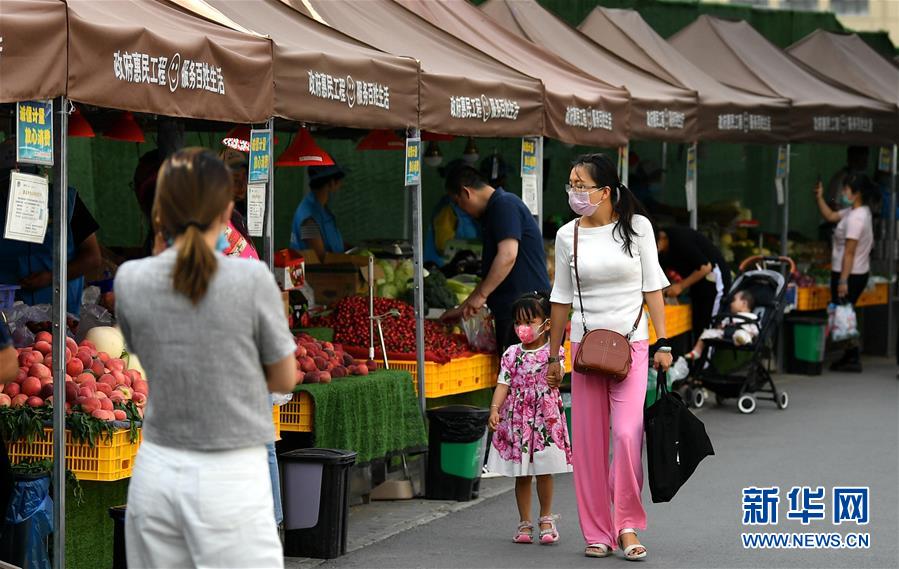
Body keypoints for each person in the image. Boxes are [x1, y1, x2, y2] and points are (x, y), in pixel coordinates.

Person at [116, 148, 296, 567]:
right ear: (228, 211)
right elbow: (284, 378)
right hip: (231, 476)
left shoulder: (131, 280)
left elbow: (147, 351)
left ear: (159, 211)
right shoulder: (252, 279)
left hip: (156, 473)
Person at [546, 153, 672, 561]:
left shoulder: (637, 228)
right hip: (583, 348)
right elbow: (560, 297)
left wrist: (664, 341)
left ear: (606, 191)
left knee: (626, 434)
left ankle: (627, 525)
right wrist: (553, 356)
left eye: (581, 185)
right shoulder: (568, 235)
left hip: (632, 344)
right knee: (589, 444)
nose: (574, 193)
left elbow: (653, 286)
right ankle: (597, 531)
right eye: (571, 185)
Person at [486, 292, 571, 545]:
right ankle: (524, 521)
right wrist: (494, 408)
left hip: (545, 419)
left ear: (546, 323)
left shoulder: (553, 353)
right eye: (518, 323)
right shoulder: (511, 353)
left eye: (529, 321)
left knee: (545, 471)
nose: (522, 328)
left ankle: (546, 518)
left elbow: (560, 376)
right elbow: (504, 383)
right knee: (521, 473)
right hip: (518, 419)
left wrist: (557, 373)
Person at [0, 140, 101, 313]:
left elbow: (92, 258)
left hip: (61, 316)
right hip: (8, 316)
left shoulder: (66, 200)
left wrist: (52, 277)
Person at [814, 174, 876, 373]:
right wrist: (819, 198)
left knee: (844, 315)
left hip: (850, 273)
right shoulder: (855, 211)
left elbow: (849, 252)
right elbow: (831, 216)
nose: (842, 193)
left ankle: (852, 356)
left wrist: (843, 281)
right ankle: (849, 355)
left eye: (846, 190)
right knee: (844, 313)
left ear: (857, 193)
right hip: (852, 272)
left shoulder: (857, 218)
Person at [656, 225, 732, 339]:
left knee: (708, 324)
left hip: (714, 280)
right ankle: (695, 355)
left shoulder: (680, 239)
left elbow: (705, 267)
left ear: (662, 236)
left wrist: (680, 286)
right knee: (697, 323)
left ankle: (706, 355)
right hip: (697, 282)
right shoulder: (661, 253)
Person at [290, 163, 346, 260]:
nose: (341, 185)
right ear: (331, 183)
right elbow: (321, 257)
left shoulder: (323, 209)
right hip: (313, 274)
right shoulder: (307, 220)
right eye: (339, 181)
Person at [686, 290, 759, 359]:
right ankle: (697, 351)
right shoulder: (731, 316)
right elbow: (724, 324)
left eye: (734, 300)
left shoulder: (752, 317)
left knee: (742, 334)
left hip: (741, 333)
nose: (731, 303)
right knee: (707, 333)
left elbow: (756, 329)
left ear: (744, 303)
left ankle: (740, 340)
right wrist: (720, 326)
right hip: (725, 333)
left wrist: (753, 334)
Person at [219, 149, 259, 260]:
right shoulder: (218, 220)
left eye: (244, 178)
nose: (242, 186)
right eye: (236, 180)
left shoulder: (237, 217)